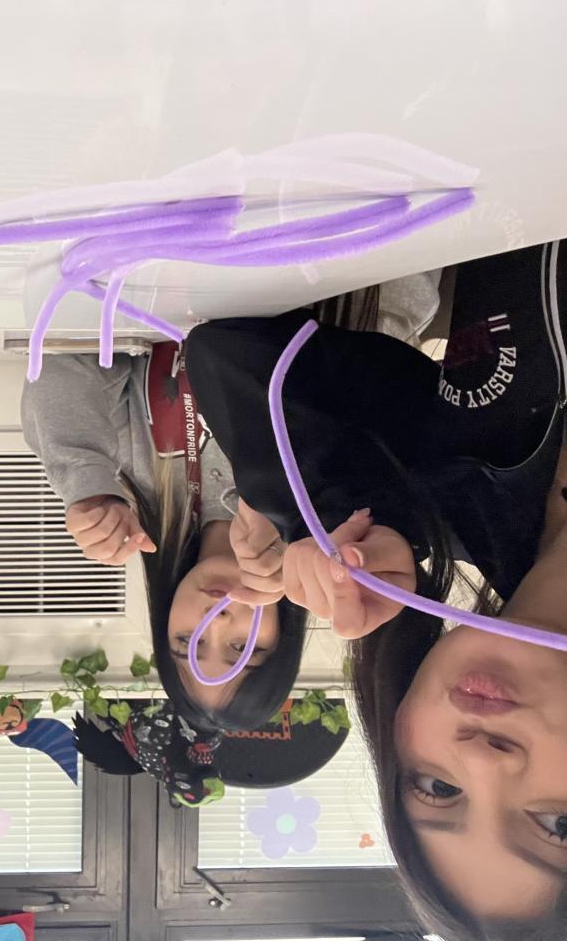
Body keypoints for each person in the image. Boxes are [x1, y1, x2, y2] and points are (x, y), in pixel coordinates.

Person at [184, 243, 567, 938]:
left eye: (439, 789)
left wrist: (330, 514)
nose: (481, 759)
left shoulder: (471, 500)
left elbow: (232, 350)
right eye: (557, 824)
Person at [21, 343, 306, 734]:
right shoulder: (324, 501)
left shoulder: (136, 479)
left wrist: (86, 483)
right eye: (241, 647)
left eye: (187, 640)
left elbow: (64, 359)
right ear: (283, 633)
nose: (215, 622)